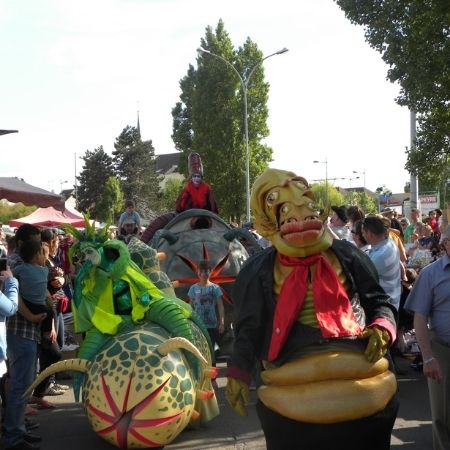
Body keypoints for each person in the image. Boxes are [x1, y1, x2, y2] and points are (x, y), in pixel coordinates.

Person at [226, 169, 398, 450]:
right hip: (290, 375)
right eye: (291, 219)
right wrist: (238, 371)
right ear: (274, 222)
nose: (302, 225)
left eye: (307, 216)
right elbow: (250, 328)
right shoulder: (259, 271)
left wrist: (382, 326)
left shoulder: (346, 255)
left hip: (357, 362)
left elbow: (378, 300)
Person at [405, 225, 450, 450]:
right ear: (446, 243)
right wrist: (428, 357)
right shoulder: (431, 273)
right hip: (443, 349)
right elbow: (420, 318)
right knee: (443, 415)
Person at [3, 224, 46, 450]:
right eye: (37, 245)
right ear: (22, 244)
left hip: (27, 332)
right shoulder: (15, 265)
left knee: (22, 385)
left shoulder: (21, 265)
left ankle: (18, 429)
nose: (41, 249)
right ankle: (13, 437)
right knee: (20, 385)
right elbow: (15, 299)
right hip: (20, 331)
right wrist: (30, 315)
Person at [362, 216, 402, 311]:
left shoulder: (379, 257)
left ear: (370, 234)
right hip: (392, 300)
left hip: (384, 306)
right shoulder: (389, 243)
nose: (362, 235)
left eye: (363, 232)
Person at [187, 260, 224, 354]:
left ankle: (212, 367)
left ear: (210, 272)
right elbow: (190, 306)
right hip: (198, 325)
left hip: (212, 325)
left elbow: (220, 305)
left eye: (206, 271)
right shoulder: (193, 288)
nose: (204, 274)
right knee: (199, 349)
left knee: (211, 350)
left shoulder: (215, 288)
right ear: (198, 272)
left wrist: (222, 323)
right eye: (201, 271)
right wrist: (189, 321)